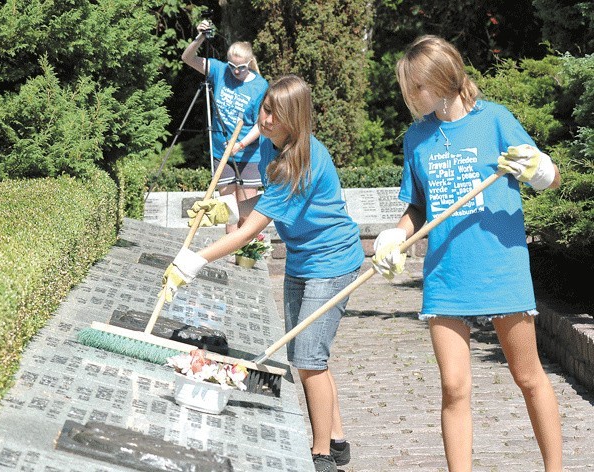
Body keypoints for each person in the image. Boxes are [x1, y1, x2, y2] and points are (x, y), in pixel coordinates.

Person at [371, 35, 563, 472]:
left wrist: (540, 169)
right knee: (454, 388)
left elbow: (547, 176)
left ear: (441, 79)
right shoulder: (416, 138)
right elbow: (417, 207)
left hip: (500, 266)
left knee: (528, 377)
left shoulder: (495, 120)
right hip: (446, 273)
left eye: (414, 87)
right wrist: (393, 237)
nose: (408, 97)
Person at [162, 75, 364, 472]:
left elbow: (252, 231)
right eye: (264, 107)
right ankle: (338, 439)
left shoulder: (301, 161)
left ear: (295, 118)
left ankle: (322, 454)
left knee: (309, 358)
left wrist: (195, 259)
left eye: (274, 112)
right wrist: (227, 208)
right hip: (303, 262)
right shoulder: (273, 149)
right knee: (309, 357)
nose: (264, 118)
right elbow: (263, 201)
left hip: (334, 262)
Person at [182, 19, 269, 233]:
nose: (236, 72)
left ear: (249, 63)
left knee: (247, 215)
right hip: (222, 152)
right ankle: (230, 257)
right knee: (228, 211)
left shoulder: (260, 85)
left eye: (241, 67)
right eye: (232, 66)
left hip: (248, 154)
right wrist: (201, 37)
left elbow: (262, 123)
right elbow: (187, 58)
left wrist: (240, 143)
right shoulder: (220, 71)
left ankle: (249, 258)